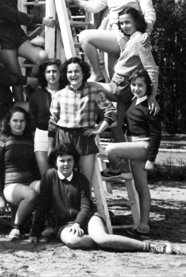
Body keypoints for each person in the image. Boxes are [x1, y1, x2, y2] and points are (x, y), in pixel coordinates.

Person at [29, 144, 173, 253]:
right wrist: (34, 232)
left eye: (69, 160)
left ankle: (148, 246)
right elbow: (42, 205)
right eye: (62, 161)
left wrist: (78, 223)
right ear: (55, 162)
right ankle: (110, 242)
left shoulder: (81, 179)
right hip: (65, 224)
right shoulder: (49, 177)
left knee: (102, 238)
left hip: (88, 218)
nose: (66, 164)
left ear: (74, 162)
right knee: (72, 241)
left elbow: (85, 206)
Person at [94, 7, 160, 171]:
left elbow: (151, 69)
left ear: (137, 22)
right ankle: (123, 170)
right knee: (117, 126)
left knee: (90, 87)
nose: (124, 26)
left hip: (120, 87)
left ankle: (106, 113)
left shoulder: (139, 41)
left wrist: (152, 97)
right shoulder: (134, 39)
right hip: (123, 88)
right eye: (122, 23)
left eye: (128, 22)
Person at [70, 0, 156, 81]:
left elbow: (149, 12)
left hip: (129, 37)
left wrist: (147, 32)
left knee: (85, 36)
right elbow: (95, 7)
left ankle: (96, 74)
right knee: (115, 82)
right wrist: (75, 1)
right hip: (113, 35)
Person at [101, 69, 162, 238]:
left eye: (140, 85)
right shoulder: (133, 101)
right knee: (141, 187)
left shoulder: (150, 107)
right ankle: (143, 226)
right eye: (134, 85)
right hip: (132, 145)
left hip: (143, 147)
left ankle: (115, 169)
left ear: (147, 87)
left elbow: (157, 134)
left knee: (111, 150)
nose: (136, 88)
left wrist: (151, 159)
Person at [48, 57, 115, 184]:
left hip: (85, 137)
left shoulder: (94, 92)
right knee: (65, 181)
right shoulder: (58, 95)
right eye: (69, 72)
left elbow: (111, 111)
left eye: (77, 71)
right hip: (64, 138)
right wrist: (50, 148)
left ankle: (85, 204)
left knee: (85, 182)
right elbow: (52, 123)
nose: (73, 75)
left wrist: (99, 129)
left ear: (83, 73)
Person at [0, 106, 41, 240]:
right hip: (11, 187)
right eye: (15, 121)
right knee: (30, 194)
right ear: (8, 122)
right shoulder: (2, 141)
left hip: (30, 182)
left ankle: (42, 226)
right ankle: (16, 227)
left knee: (46, 186)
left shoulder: (31, 141)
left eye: (22, 121)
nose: (19, 124)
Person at [0, 28, 38, 139]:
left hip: (6, 106)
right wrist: (38, 81)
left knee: (34, 107)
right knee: (1, 146)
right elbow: (13, 79)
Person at [29, 58, 65, 176]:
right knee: (46, 176)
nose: (52, 75)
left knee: (62, 174)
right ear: (44, 75)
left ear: (60, 73)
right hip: (42, 136)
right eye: (48, 72)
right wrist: (36, 139)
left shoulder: (67, 92)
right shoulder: (36, 96)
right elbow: (33, 120)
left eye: (54, 71)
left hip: (63, 135)